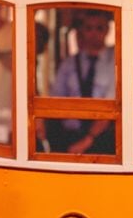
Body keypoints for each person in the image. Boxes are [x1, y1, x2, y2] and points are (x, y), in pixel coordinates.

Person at [42, 9, 116, 155]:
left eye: (99, 28)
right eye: (89, 28)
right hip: (70, 137)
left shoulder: (115, 63)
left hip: (103, 140)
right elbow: (55, 100)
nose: (94, 33)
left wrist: (88, 140)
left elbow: (112, 105)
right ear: (82, 31)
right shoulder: (68, 64)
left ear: (107, 30)